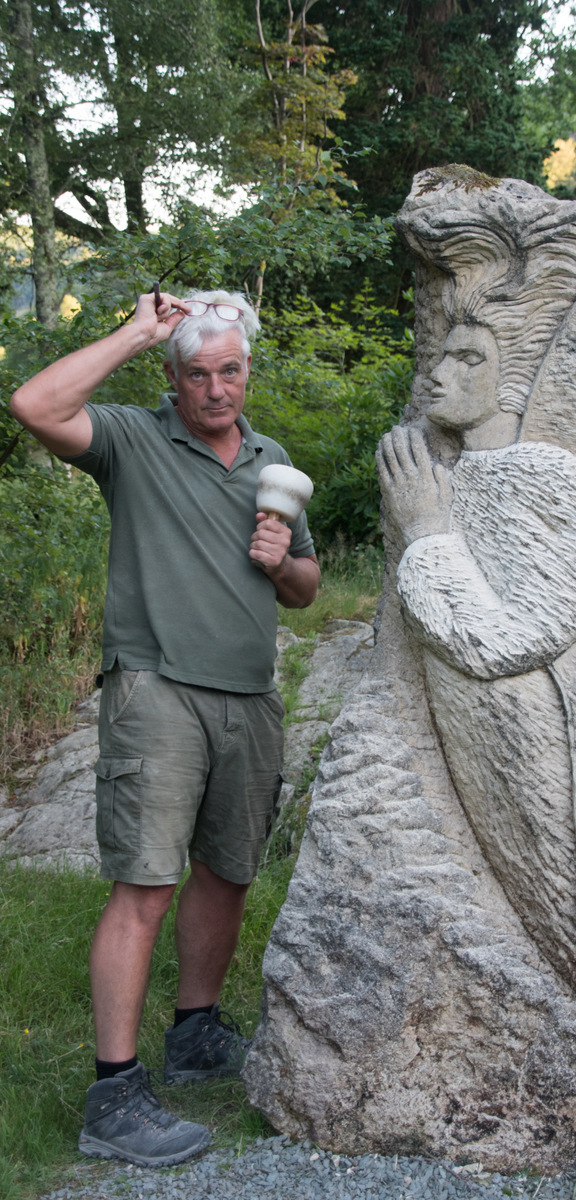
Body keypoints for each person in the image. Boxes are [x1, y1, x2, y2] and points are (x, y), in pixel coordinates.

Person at [9, 287, 320, 1167]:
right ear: (174, 378)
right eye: (198, 374)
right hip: (157, 690)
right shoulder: (133, 440)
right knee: (145, 885)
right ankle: (113, 1098)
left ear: (247, 370)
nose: (217, 390)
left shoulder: (272, 458)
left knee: (227, 871)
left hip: (248, 695)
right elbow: (34, 404)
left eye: (230, 371)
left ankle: (195, 1036)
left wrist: (283, 564)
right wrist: (138, 332)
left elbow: (306, 586)